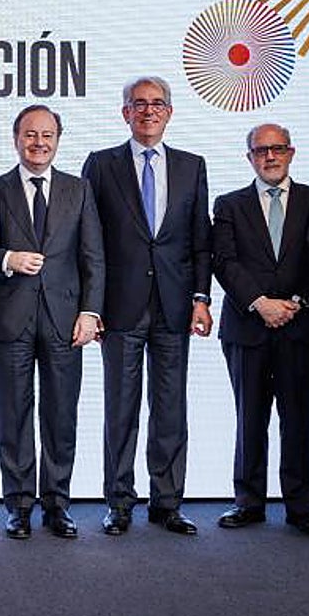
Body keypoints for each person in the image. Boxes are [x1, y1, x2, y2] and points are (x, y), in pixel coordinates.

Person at [82, 76, 212, 537]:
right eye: (139, 104)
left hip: (175, 307)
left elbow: (201, 242)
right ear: (125, 113)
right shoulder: (100, 165)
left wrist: (201, 298)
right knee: (121, 407)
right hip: (119, 308)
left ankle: (167, 502)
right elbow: (88, 243)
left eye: (157, 104)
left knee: (171, 407)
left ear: (170, 113)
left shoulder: (192, 166)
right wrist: (91, 307)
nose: (148, 111)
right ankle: (118, 502)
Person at [0, 105, 104, 540]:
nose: (39, 143)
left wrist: (91, 312)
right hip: (9, 319)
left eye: (47, 135)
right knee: (13, 413)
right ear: (16, 138)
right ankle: (18, 504)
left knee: (60, 414)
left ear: (58, 140)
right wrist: (7, 259)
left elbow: (93, 256)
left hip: (65, 320)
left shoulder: (79, 190)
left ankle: (57, 503)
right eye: (30, 134)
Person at [213, 124, 309, 536]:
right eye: (260, 150)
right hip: (247, 326)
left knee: (298, 418)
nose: (270, 157)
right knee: (250, 417)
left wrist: (294, 304)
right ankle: (248, 502)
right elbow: (224, 262)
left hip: (301, 327)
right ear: (249, 158)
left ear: (291, 152)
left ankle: (301, 507)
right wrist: (261, 303)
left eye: (277, 149)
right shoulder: (229, 204)